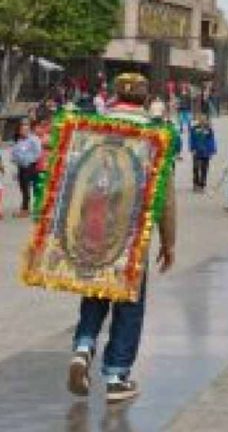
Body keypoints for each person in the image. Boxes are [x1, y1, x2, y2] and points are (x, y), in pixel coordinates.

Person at [68, 73, 176, 403]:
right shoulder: (155, 134)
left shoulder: (93, 127)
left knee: (95, 289)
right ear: (145, 99)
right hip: (132, 231)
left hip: (94, 226)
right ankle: (116, 376)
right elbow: (165, 196)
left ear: (115, 94)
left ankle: (84, 346)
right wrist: (168, 240)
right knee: (129, 303)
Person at [10, 120, 42, 218]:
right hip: (21, 167)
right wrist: (14, 159)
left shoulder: (34, 139)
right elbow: (14, 153)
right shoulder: (18, 140)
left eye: (26, 129)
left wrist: (28, 162)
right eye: (22, 129)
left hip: (30, 167)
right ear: (19, 130)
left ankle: (25, 210)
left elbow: (38, 153)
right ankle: (25, 207)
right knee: (22, 188)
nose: (25, 131)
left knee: (26, 189)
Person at [189, 115, 217, 192]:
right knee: (196, 168)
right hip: (196, 151)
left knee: (204, 168)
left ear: (206, 120)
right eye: (201, 119)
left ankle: (202, 184)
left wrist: (212, 151)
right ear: (198, 120)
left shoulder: (209, 129)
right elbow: (191, 138)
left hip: (205, 152)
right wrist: (192, 148)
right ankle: (196, 183)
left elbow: (211, 140)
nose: (202, 121)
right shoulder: (194, 128)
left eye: (204, 119)